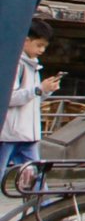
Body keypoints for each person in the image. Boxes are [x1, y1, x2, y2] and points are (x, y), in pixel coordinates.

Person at [1, 19, 57, 178]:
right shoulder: (16, 64)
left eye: (44, 46)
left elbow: (32, 98)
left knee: (37, 177)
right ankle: (43, 202)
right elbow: (9, 97)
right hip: (9, 134)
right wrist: (39, 90)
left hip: (27, 134)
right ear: (26, 41)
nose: (42, 50)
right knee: (34, 176)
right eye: (39, 45)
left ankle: (44, 203)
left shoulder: (32, 65)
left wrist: (45, 91)